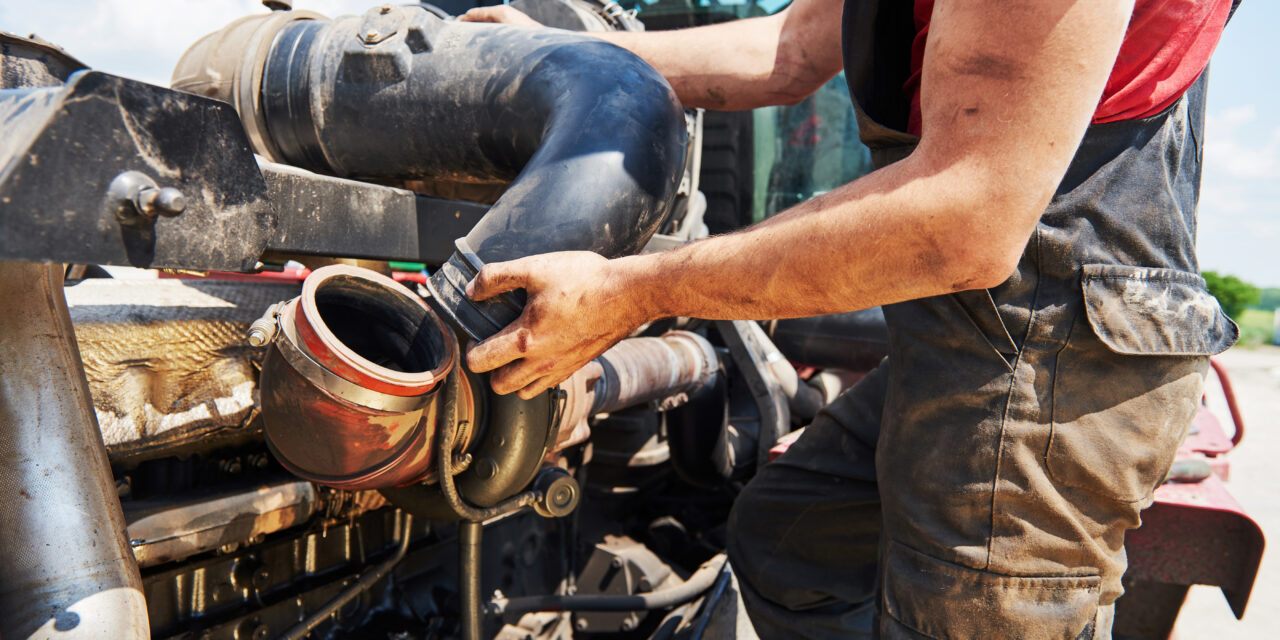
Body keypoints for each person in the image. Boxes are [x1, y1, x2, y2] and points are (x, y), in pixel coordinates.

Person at [461, 0, 1240, 637]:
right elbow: (793, 48)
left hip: (1048, 345)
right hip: (969, 324)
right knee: (790, 537)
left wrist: (637, 292)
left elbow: (966, 216)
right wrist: (563, 52)